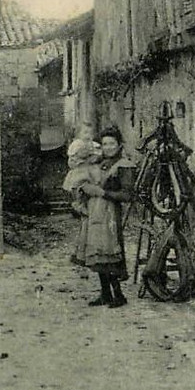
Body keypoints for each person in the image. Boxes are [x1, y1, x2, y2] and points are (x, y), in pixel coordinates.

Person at [76, 126, 135, 308]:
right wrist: (84, 189)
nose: (108, 147)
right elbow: (84, 181)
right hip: (95, 213)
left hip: (110, 213)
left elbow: (127, 195)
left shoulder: (124, 165)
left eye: (112, 143)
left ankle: (118, 295)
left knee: (109, 253)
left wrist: (102, 193)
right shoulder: (98, 163)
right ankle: (105, 294)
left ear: (119, 145)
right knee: (97, 252)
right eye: (105, 144)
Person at [63, 137, 102, 266]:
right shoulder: (81, 154)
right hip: (82, 188)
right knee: (86, 223)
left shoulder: (85, 153)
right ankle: (83, 254)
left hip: (81, 187)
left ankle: (82, 253)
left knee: (86, 225)